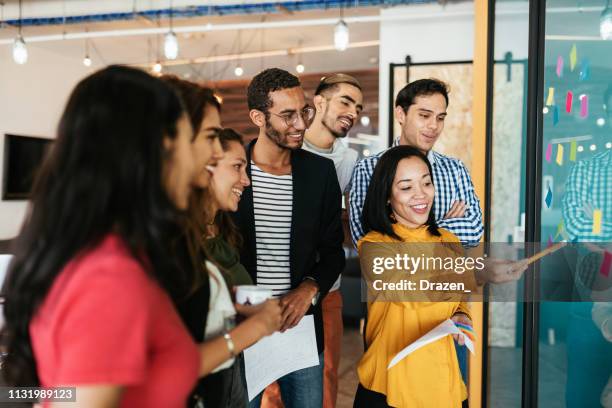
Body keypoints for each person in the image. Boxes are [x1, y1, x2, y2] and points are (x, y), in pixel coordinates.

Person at [1, 65, 202, 407]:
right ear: (162, 147)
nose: (198, 160)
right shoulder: (109, 277)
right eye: (190, 141)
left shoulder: (101, 254)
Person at [161, 76, 282, 408]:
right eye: (210, 138)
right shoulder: (155, 242)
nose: (214, 154)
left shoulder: (190, 234)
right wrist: (252, 328)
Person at [232, 68, 345, 408]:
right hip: (244, 327)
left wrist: (309, 289)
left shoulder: (320, 173)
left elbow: (332, 252)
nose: (300, 124)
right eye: (287, 115)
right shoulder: (234, 172)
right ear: (257, 117)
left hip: (300, 328)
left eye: (304, 112)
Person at [354, 145, 474, 407]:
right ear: (387, 196)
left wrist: (462, 314)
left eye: (426, 183)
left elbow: (458, 296)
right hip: (389, 382)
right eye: (406, 187)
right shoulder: (373, 244)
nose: (421, 195)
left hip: (443, 379)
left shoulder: (449, 240)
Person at [302, 73, 363, 408]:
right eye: (345, 101)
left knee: (326, 375)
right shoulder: (290, 147)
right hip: (282, 281)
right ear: (320, 101)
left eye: (357, 107)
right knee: (275, 385)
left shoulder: (349, 160)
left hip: (329, 286)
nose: (352, 112)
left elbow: (351, 221)